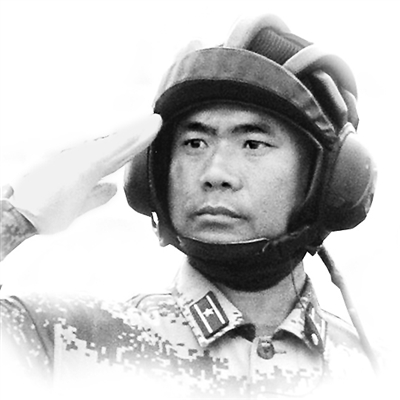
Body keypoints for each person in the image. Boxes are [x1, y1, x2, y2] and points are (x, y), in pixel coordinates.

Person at [0, 14, 379, 399]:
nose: (215, 173)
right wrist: (12, 220)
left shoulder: (371, 374)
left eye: (253, 144)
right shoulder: (61, 341)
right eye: (195, 143)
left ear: (329, 180)